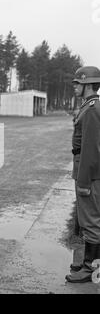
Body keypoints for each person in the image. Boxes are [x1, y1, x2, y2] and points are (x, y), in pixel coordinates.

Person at [66, 66, 100, 283]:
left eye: (78, 83)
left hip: (90, 172)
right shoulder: (89, 107)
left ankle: (91, 268)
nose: (75, 86)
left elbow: (90, 148)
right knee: (88, 218)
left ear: (88, 84)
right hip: (83, 167)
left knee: (92, 220)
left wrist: (85, 181)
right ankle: (89, 261)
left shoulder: (92, 109)